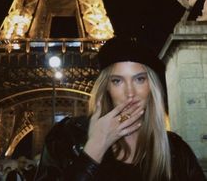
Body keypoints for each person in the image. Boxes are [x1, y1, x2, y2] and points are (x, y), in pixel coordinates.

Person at [35, 37, 206, 181]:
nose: (130, 93)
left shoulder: (176, 151)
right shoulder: (66, 138)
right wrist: (94, 149)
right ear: (106, 87)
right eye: (117, 81)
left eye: (139, 79)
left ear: (152, 87)